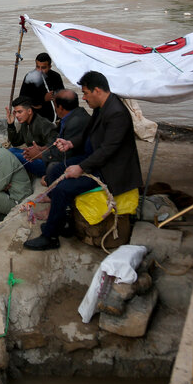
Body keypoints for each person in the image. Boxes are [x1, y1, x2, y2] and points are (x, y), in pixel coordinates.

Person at [24, 71, 143, 251]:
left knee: (64, 188)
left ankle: (50, 237)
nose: (84, 98)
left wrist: (80, 167)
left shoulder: (117, 114)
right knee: (55, 171)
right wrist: (71, 143)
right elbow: (88, 133)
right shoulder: (102, 107)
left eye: (86, 93)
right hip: (96, 160)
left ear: (97, 90)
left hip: (110, 169)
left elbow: (108, 150)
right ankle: (61, 221)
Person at [43, 89, 91, 186]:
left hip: (74, 158)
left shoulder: (76, 122)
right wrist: (43, 149)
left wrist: (42, 154)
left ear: (60, 108)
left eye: (55, 105)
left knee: (21, 157)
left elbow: (66, 154)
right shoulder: (70, 116)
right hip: (56, 152)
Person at [6, 96, 57, 177]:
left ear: (29, 111)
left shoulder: (44, 124)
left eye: (20, 112)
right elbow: (16, 142)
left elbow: (55, 147)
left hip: (46, 163)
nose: (17, 115)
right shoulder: (25, 123)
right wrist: (10, 125)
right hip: (33, 157)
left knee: (11, 155)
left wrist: (39, 152)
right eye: (15, 112)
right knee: (10, 150)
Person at [19, 53, 65, 123]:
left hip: (53, 117)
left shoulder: (56, 77)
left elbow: (62, 98)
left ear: (49, 67)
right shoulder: (29, 77)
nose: (40, 70)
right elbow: (22, 100)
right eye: (37, 67)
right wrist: (43, 99)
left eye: (43, 68)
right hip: (36, 119)